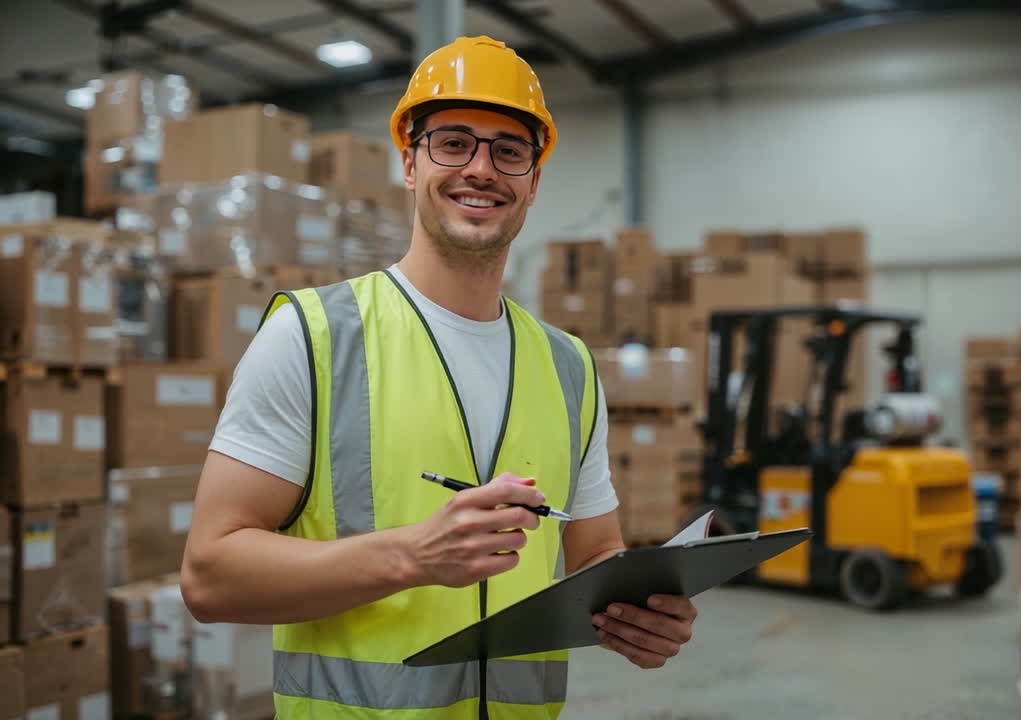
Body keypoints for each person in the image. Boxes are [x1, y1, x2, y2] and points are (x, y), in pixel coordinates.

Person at [180, 35, 698, 719]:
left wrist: (641, 614)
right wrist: (412, 555)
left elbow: (594, 551)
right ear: (409, 161)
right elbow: (210, 577)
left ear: (534, 181)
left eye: (508, 150)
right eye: (453, 143)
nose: (480, 169)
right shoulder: (315, 338)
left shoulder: (568, 367)